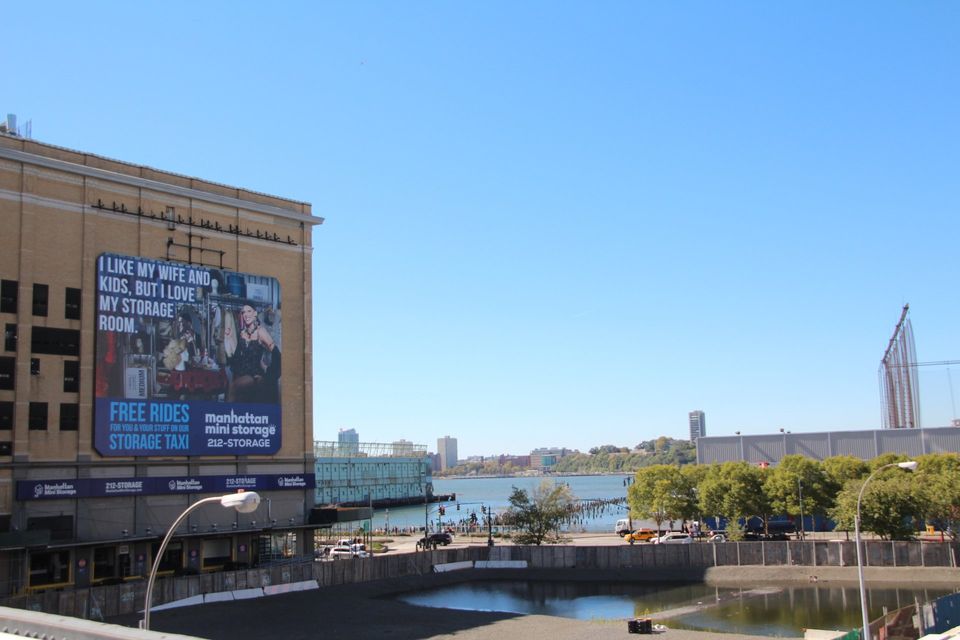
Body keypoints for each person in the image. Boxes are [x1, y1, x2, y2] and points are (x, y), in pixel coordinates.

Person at [228, 304, 280, 402]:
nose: (246, 315)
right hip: (242, 374)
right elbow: (237, 358)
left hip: (254, 375)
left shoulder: (261, 331)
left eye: (249, 311)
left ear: (255, 314)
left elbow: (276, 353)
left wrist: (269, 371)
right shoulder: (242, 333)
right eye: (243, 312)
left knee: (232, 389)